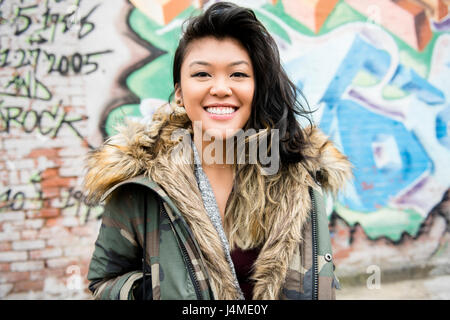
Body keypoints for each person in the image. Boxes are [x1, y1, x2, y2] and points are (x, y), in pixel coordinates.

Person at [84, 2, 352, 300]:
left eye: (238, 75)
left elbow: (318, 281)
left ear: (257, 87)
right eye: (202, 75)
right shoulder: (142, 184)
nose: (221, 88)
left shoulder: (298, 174)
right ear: (179, 93)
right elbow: (104, 282)